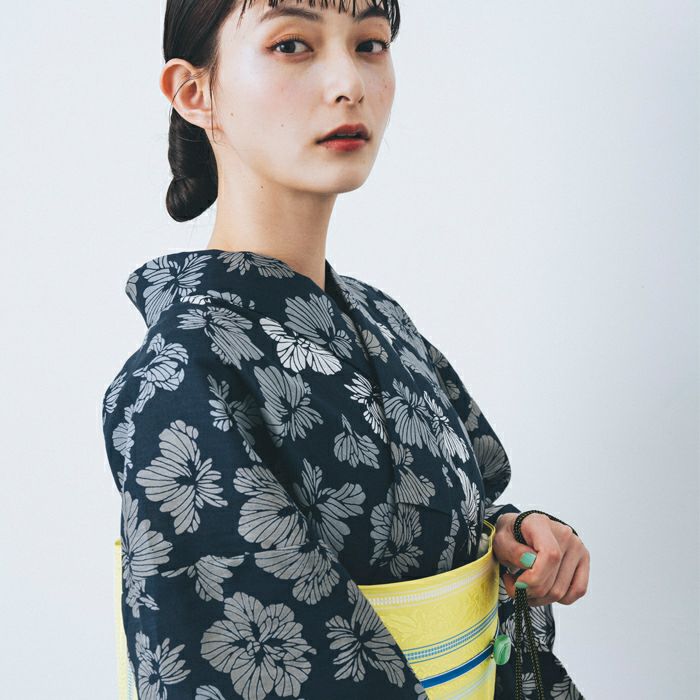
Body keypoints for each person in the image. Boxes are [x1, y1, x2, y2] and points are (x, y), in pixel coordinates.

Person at [101, 1, 590, 698]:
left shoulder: (381, 318)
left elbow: (426, 522)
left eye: (369, 44)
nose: (349, 83)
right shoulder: (183, 373)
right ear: (193, 92)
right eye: (292, 45)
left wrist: (507, 535)